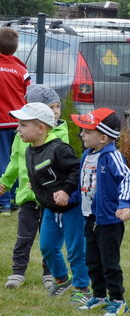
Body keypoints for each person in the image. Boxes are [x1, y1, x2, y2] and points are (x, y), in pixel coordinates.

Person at [10, 102, 90, 302]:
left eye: (23, 125)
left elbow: (76, 170)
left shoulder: (59, 149)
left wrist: (65, 190)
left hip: (71, 208)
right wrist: (35, 187)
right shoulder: (29, 150)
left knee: (75, 250)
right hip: (49, 208)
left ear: (40, 128)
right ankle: (62, 279)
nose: (18, 129)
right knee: (47, 247)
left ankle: (83, 288)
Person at [0, 85, 66, 290]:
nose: (56, 111)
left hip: (49, 198)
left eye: (58, 106)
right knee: (24, 237)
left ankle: (49, 274)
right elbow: (14, 161)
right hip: (27, 196)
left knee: (48, 239)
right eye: (51, 107)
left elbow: (62, 165)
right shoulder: (21, 137)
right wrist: (5, 182)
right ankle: (17, 272)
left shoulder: (60, 134)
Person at [72, 108, 130, 316]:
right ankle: (99, 296)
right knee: (92, 260)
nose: (82, 134)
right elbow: (83, 185)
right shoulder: (86, 155)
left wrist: (124, 204)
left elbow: (126, 178)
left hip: (109, 220)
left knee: (109, 262)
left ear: (103, 137)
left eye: (86, 131)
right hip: (90, 217)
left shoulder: (112, 156)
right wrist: (70, 198)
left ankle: (118, 300)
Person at [0, 27, 31, 215]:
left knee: (3, 159)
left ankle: (3, 203)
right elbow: (28, 94)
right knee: (20, 158)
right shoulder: (22, 70)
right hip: (20, 123)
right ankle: (18, 199)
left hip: (1, 122)